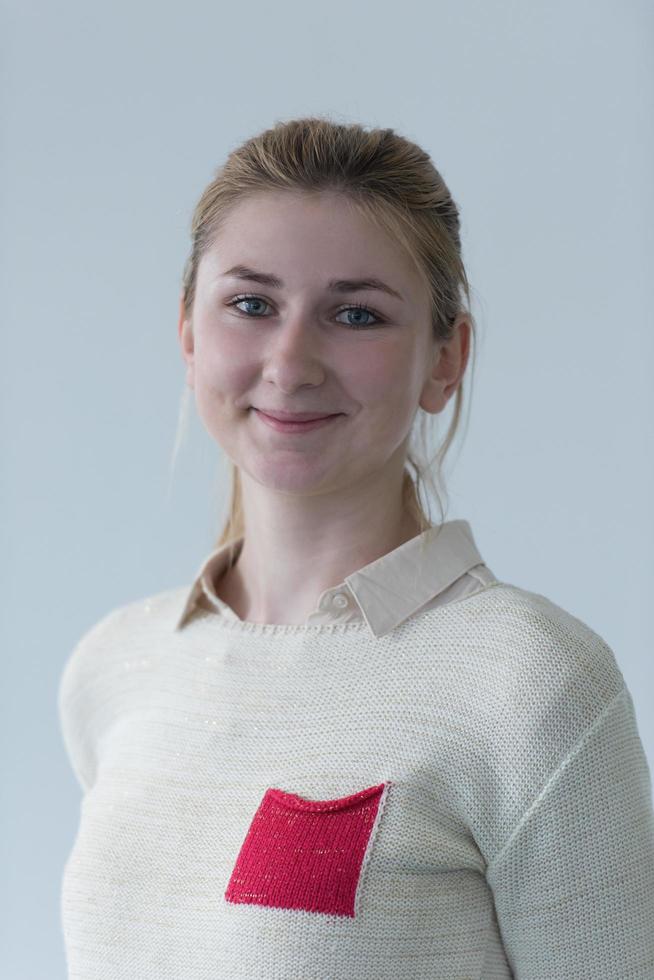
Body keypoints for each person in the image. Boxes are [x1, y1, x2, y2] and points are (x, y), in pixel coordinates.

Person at [58, 116, 654, 979]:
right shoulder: (116, 668)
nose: (291, 362)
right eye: (252, 305)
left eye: (356, 314)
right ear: (190, 335)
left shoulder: (535, 686)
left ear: (445, 359)